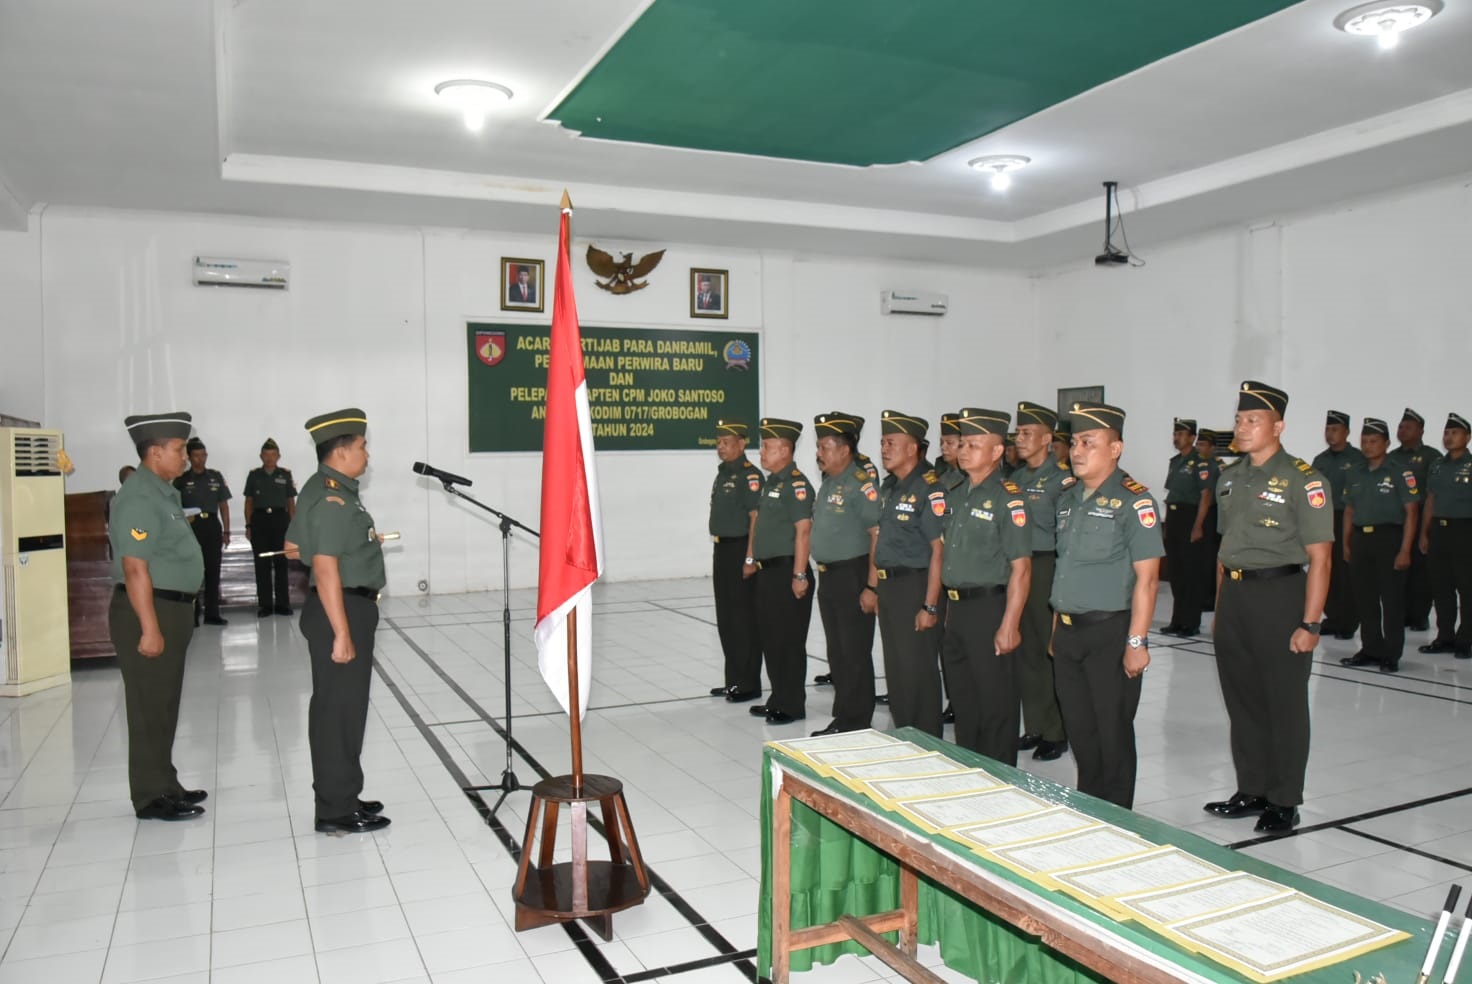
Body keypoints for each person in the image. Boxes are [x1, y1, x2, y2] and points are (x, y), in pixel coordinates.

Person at [1204, 381, 1332, 835]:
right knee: (1243, 702)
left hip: (1281, 595)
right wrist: (1222, 612)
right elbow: (1225, 552)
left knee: (1285, 704)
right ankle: (1252, 789)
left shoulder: (1304, 479)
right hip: (1236, 597)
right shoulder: (1230, 477)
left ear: (1277, 426)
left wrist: (1310, 622)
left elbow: (1320, 557)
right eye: (1239, 419)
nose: (1242, 427)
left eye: (1252, 420)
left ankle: (1284, 799)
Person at [1050, 402, 1162, 809]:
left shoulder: (1135, 502)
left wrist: (1137, 641)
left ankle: (1118, 818)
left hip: (1110, 633)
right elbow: (1064, 570)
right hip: (1067, 632)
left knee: (1112, 730)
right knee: (1080, 729)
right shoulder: (1067, 499)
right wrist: (1055, 632)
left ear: (1115, 449)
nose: (1077, 451)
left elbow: (1148, 580)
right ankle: (1091, 807)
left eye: (1089, 442)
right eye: (1075, 442)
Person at [285, 408, 390, 834]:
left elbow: (293, 547)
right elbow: (323, 566)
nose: (367, 454)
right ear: (342, 451)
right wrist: (343, 632)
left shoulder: (324, 490)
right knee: (337, 713)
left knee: (345, 710)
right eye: (362, 447)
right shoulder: (331, 496)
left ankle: (344, 794)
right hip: (340, 610)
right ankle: (334, 810)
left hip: (342, 606)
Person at [109, 411, 207, 821]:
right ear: (155, 452)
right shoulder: (138, 497)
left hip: (172, 608)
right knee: (150, 706)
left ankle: (165, 782)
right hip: (150, 611)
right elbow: (135, 568)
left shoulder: (163, 492)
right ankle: (150, 796)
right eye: (179, 450)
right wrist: (149, 627)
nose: (185, 458)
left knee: (164, 702)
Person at [939, 408, 1030, 764]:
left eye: (974, 445)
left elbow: (1021, 569)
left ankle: (1000, 775)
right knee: (964, 696)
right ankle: (970, 766)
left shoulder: (1009, 497)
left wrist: (1009, 624)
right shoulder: (957, 492)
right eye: (962, 443)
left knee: (996, 700)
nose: (963, 451)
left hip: (990, 608)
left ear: (996, 452)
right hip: (958, 609)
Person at [865, 411, 945, 736]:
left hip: (915, 585)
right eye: (883, 442)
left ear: (912, 448)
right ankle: (905, 734)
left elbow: (939, 550)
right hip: (891, 587)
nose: (884, 449)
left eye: (892, 442)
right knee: (897, 669)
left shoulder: (929, 488)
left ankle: (927, 740)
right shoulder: (891, 488)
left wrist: (930, 605)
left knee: (918, 669)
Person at [809, 412, 881, 735]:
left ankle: (856, 720)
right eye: (819, 446)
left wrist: (871, 585)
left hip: (853, 575)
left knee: (853, 651)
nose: (819, 453)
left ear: (844, 450)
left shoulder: (861, 486)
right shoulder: (829, 483)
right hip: (828, 577)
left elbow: (876, 535)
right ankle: (845, 713)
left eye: (825, 447)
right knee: (837, 650)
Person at [1010, 401, 1073, 761]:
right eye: (1018, 433)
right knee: (1025, 651)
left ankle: (1056, 730)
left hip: (1047, 566)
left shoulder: (1061, 480)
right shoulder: (1017, 479)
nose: (1020, 439)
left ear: (1047, 438)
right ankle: (1034, 724)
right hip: (1019, 567)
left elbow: (1065, 534)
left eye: (1027, 433)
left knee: (1048, 651)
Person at [746, 417, 814, 725]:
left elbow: (804, 530)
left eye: (768, 447)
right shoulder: (772, 482)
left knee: (788, 641)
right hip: (768, 572)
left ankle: (792, 704)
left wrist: (799, 574)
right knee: (771, 638)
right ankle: (778, 697)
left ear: (785, 449)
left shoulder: (797, 484)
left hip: (788, 571)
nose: (762, 452)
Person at [1340, 418, 1420, 673]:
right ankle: (1370, 648)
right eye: (1364, 441)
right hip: (1361, 539)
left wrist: (1406, 549)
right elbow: (1349, 510)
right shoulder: (1354, 472)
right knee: (1365, 598)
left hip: (1390, 539)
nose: (1368, 446)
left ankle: (1391, 653)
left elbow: (1412, 512)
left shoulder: (1400, 471)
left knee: (1392, 600)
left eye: (1373, 441)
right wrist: (1346, 543)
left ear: (1386, 443)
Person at [707, 419, 764, 702]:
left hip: (741, 550)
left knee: (743, 619)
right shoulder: (723, 473)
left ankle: (749, 683)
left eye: (726, 442)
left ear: (742, 444)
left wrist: (750, 557)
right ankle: (733, 680)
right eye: (718, 442)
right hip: (722, 551)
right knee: (727, 618)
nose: (721, 447)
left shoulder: (748, 475)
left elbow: (755, 517)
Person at [1419, 413, 1472, 659]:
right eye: (1447, 433)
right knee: (1441, 587)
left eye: (1455, 433)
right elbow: (1431, 500)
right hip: (1439, 531)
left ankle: (1466, 639)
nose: (1449, 437)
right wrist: (1425, 533)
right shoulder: (1437, 465)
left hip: (1464, 530)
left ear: (1467, 437)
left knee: (1467, 587)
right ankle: (1445, 637)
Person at [1313, 411, 1367, 639]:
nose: (1330, 433)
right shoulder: (1320, 460)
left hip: (1348, 519)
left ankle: (1349, 621)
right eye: (1328, 429)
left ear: (1346, 432)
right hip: (1325, 520)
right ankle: (1333, 617)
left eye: (1335, 429)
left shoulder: (1357, 458)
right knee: (1328, 569)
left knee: (1348, 572)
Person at [1160, 418, 1212, 637]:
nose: (1177, 438)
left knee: (1191, 573)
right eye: (1175, 434)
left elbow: (1206, 495)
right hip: (1173, 517)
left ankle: (1191, 622)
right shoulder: (1175, 461)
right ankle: (1177, 620)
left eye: (1181, 434)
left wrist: (1198, 525)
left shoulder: (1200, 461)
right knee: (1176, 572)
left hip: (1190, 517)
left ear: (1192, 437)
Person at [1392, 408, 1441, 632]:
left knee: (1422, 571)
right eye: (1401, 426)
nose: (1402, 431)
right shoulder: (1391, 457)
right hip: (1397, 518)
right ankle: (1401, 614)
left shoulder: (1432, 457)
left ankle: (1419, 615)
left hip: (1422, 516)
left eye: (1408, 427)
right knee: (1398, 569)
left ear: (1421, 430)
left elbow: (1434, 493)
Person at [174, 436, 232, 626]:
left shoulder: (215, 477)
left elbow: (223, 505)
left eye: (203, 455)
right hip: (190, 528)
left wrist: (227, 531)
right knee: (192, 572)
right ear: (189, 457)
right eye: (197, 456)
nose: (201, 459)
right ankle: (192, 614)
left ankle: (212, 614)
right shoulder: (181, 480)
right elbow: (173, 507)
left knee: (213, 571)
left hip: (212, 527)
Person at [244, 437, 298, 618]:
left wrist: (294, 527)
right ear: (261, 456)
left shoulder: (285, 474)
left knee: (281, 564)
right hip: (259, 521)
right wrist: (249, 525)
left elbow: (291, 502)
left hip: (280, 520)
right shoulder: (254, 475)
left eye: (273, 455)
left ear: (278, 456)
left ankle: (283, 604)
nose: (269, 458)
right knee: (262, 564)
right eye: (266, 455)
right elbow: (249, 502)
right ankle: (265, 605)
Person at [1194, 429, 1223, 613]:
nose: (1199, 448)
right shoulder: (1198, 464)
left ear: (1213, 447)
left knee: (1208, 559)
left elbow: (1209, 495)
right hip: (1198, 512)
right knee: (1198, 559)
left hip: (1211, 514)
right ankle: (1201, 595)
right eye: (1198, 444)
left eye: (1203, 444)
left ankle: (1209, 598)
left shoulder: (1214, 466)